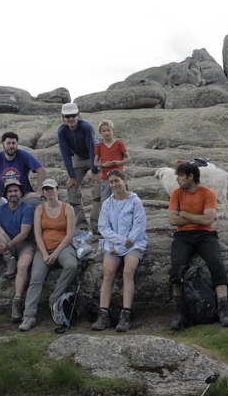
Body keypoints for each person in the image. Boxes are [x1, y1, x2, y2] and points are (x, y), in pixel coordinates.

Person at [168, 162, 228, 330]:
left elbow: (208, 220)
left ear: (191, 177)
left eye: (180, 176)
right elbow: (172, 220)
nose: (177, 179)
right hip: (182, 236)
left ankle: (223, 308)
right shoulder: (176, 194)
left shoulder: (208, 193)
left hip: (206, 235)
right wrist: (197, 217)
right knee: (176, 267)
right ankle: (179, 311)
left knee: (216, 263)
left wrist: (184, 214)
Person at [91, 170, 147, 332]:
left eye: (117, 181)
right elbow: (103, 227)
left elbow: (139, 226)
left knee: (128, 271)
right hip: (115, 244)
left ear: (124, 180)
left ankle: (125, 315)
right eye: (111, 182)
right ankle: (103, 314)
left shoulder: (135, 201)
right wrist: (121, 242)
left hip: (134, 243)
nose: (114, 185)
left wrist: (126, 243)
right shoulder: (108, 203)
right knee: (108, 272)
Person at [19, 179, 78, 332]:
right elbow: (38, 234)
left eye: (51, 188)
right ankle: (29, 316)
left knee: (72, 266)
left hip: (63, 247)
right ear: (43, 192)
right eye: (46, 189)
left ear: (57, 190)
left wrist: (56, 252)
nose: (49, 191)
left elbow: (70, 234)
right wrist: (45, 254)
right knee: (36, 278)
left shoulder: (68, 208)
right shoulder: (39, 209)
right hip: (44, 249)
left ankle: (55, 298)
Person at [0, 179, 36, 323]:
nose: (13, 193)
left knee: (22, 267)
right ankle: (10, 259)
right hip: (9, 245)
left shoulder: (27, 208)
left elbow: (24, 233)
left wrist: (7, 246)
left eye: (16, 190)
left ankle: (16, 302)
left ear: (21, 193)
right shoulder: (0, 210)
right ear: (6, 194)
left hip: (26, 245)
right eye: (10, 191)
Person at [57, 102, 101, 233]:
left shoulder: (86, 126)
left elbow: (92, 148)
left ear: (79, 116)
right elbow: (65, 154)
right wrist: (71, 176)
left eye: (73, 115)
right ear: (63, 118)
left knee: (99, 187)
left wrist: (95, 171)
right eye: (67, 116)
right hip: (78, 158)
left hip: (95, 155)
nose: (71, 119)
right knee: (71, 189)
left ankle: (96, 224)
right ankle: (81, 225)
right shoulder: (61, 131)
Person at [0, 131, 46, 203]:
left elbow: (41, 170)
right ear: (3, 144)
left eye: (13, 143)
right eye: (8, 143)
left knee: (37, 203)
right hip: (2, 197)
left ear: (17, 144)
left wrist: (39, 192)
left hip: (23, 196)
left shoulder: (23, 155)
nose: (11, 146)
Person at [94, 119, 130, 203]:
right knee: (105, 200)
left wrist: (118, 163)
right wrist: (103, 165)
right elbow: (95, 162)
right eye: (103, 131)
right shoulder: (99, 146)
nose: (106, 133)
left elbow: (128, 158)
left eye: (108, 130)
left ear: (113, 131)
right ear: (100, 133)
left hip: (119, 177)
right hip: (106, 178)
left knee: (121, 198)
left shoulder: (119, 144)